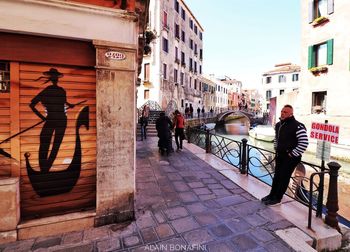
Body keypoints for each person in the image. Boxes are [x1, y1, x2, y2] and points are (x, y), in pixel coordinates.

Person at [261, 104, 309, 206]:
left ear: (291, 114)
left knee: (284, 177)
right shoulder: (279, 125)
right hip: (280, 155)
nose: (283, 113)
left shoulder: (297, 126)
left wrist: (292, 154)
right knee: (277, 176)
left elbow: (304, 143)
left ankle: (277, 198)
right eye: (282, 111)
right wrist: (276, 148)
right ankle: (271, 195)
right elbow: (276, 139)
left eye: (285, 112)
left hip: (291, 158)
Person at [29, 68, 75, 173]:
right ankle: (45, 169)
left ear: (50, 78)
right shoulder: (59, 90)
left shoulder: (52, 91)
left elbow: (32, 105)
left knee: (48, 143)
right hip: (60, 120)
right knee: (52, 144)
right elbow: (32, 105)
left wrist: (42, 117)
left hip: (54, 119)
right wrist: (42, 117)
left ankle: (44, 169)